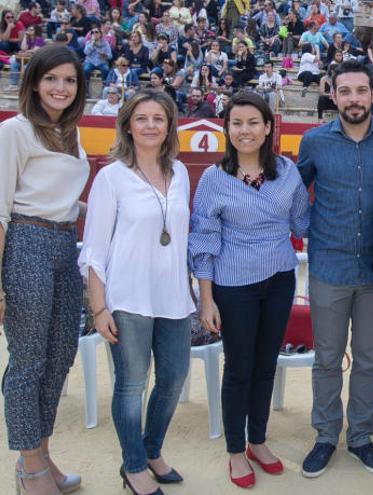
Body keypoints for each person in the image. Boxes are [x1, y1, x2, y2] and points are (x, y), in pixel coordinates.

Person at [190, 92, 310, 489]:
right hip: (233, 285)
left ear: (268, 127)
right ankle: (236, 450)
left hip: (279, 280)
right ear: (227, 128)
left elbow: (301, 224)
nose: (245, 130)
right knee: (239, 368)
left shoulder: (288, 172)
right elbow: (203, 241)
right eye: (237, 123)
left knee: (265, 364)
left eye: (253, 122)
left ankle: (258, 440)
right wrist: (205, 299)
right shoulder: (213, 178)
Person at [79, 90, 192, 495]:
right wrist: (98, 307)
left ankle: (151, 450)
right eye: (141, 118)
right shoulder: (111, 177)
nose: (150, 125)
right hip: (127, 296)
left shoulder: (179, 172)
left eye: (158, 118)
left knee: (175, 375)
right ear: (127, 124)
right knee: (131, 383)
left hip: (174, 296)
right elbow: (93, 249)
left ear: (169, 126)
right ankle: (133, 465)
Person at [295, 60, 373, 479]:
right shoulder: (314, 141)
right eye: (346, 91)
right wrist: (310, 232)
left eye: (361, 90)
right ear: (333, 95)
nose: (354, 99)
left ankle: (360, 436)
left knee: (369, 358)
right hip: (329, 267)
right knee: (326, 358)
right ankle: (325, 435)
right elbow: (293, 192)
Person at [0, 44, 88, 495]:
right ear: (34, 82)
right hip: (26, 242)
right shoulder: (15, 131)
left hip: (63, 244)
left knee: (59, 358)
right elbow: (0, 209)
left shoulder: (71, 134)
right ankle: (30, 467)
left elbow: (66, 199)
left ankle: (43, 456)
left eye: (69, 80)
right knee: (29, 360)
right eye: (52, 78)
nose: (61, 87)